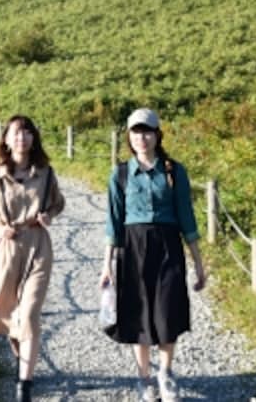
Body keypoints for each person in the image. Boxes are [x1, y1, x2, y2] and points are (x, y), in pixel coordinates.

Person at [100, 108, 206, 402]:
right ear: (129, 136)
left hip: (167, 244)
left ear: (158, 135)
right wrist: (106, 265)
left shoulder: (173, 171)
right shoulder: (120, 173)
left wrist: (198, 262)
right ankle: (144, 377)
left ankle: (166, 373)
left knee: (167, 309)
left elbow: (187, 217)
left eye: (147, 131)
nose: (141, 137)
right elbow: (113, 221)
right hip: (132, 247)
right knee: (137, 312)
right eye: (135, 132)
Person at [0, 114, 65, 402]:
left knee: (30, 312)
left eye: (26, 133)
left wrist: (49, 215)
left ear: (33, 138)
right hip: (7, 249)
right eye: (15, 134)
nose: (21, 138)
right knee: (6, 313)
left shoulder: (46, 173)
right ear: (6, 140)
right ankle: (22, 356)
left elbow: (58, 203)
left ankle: (25, 385)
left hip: (37, 244)